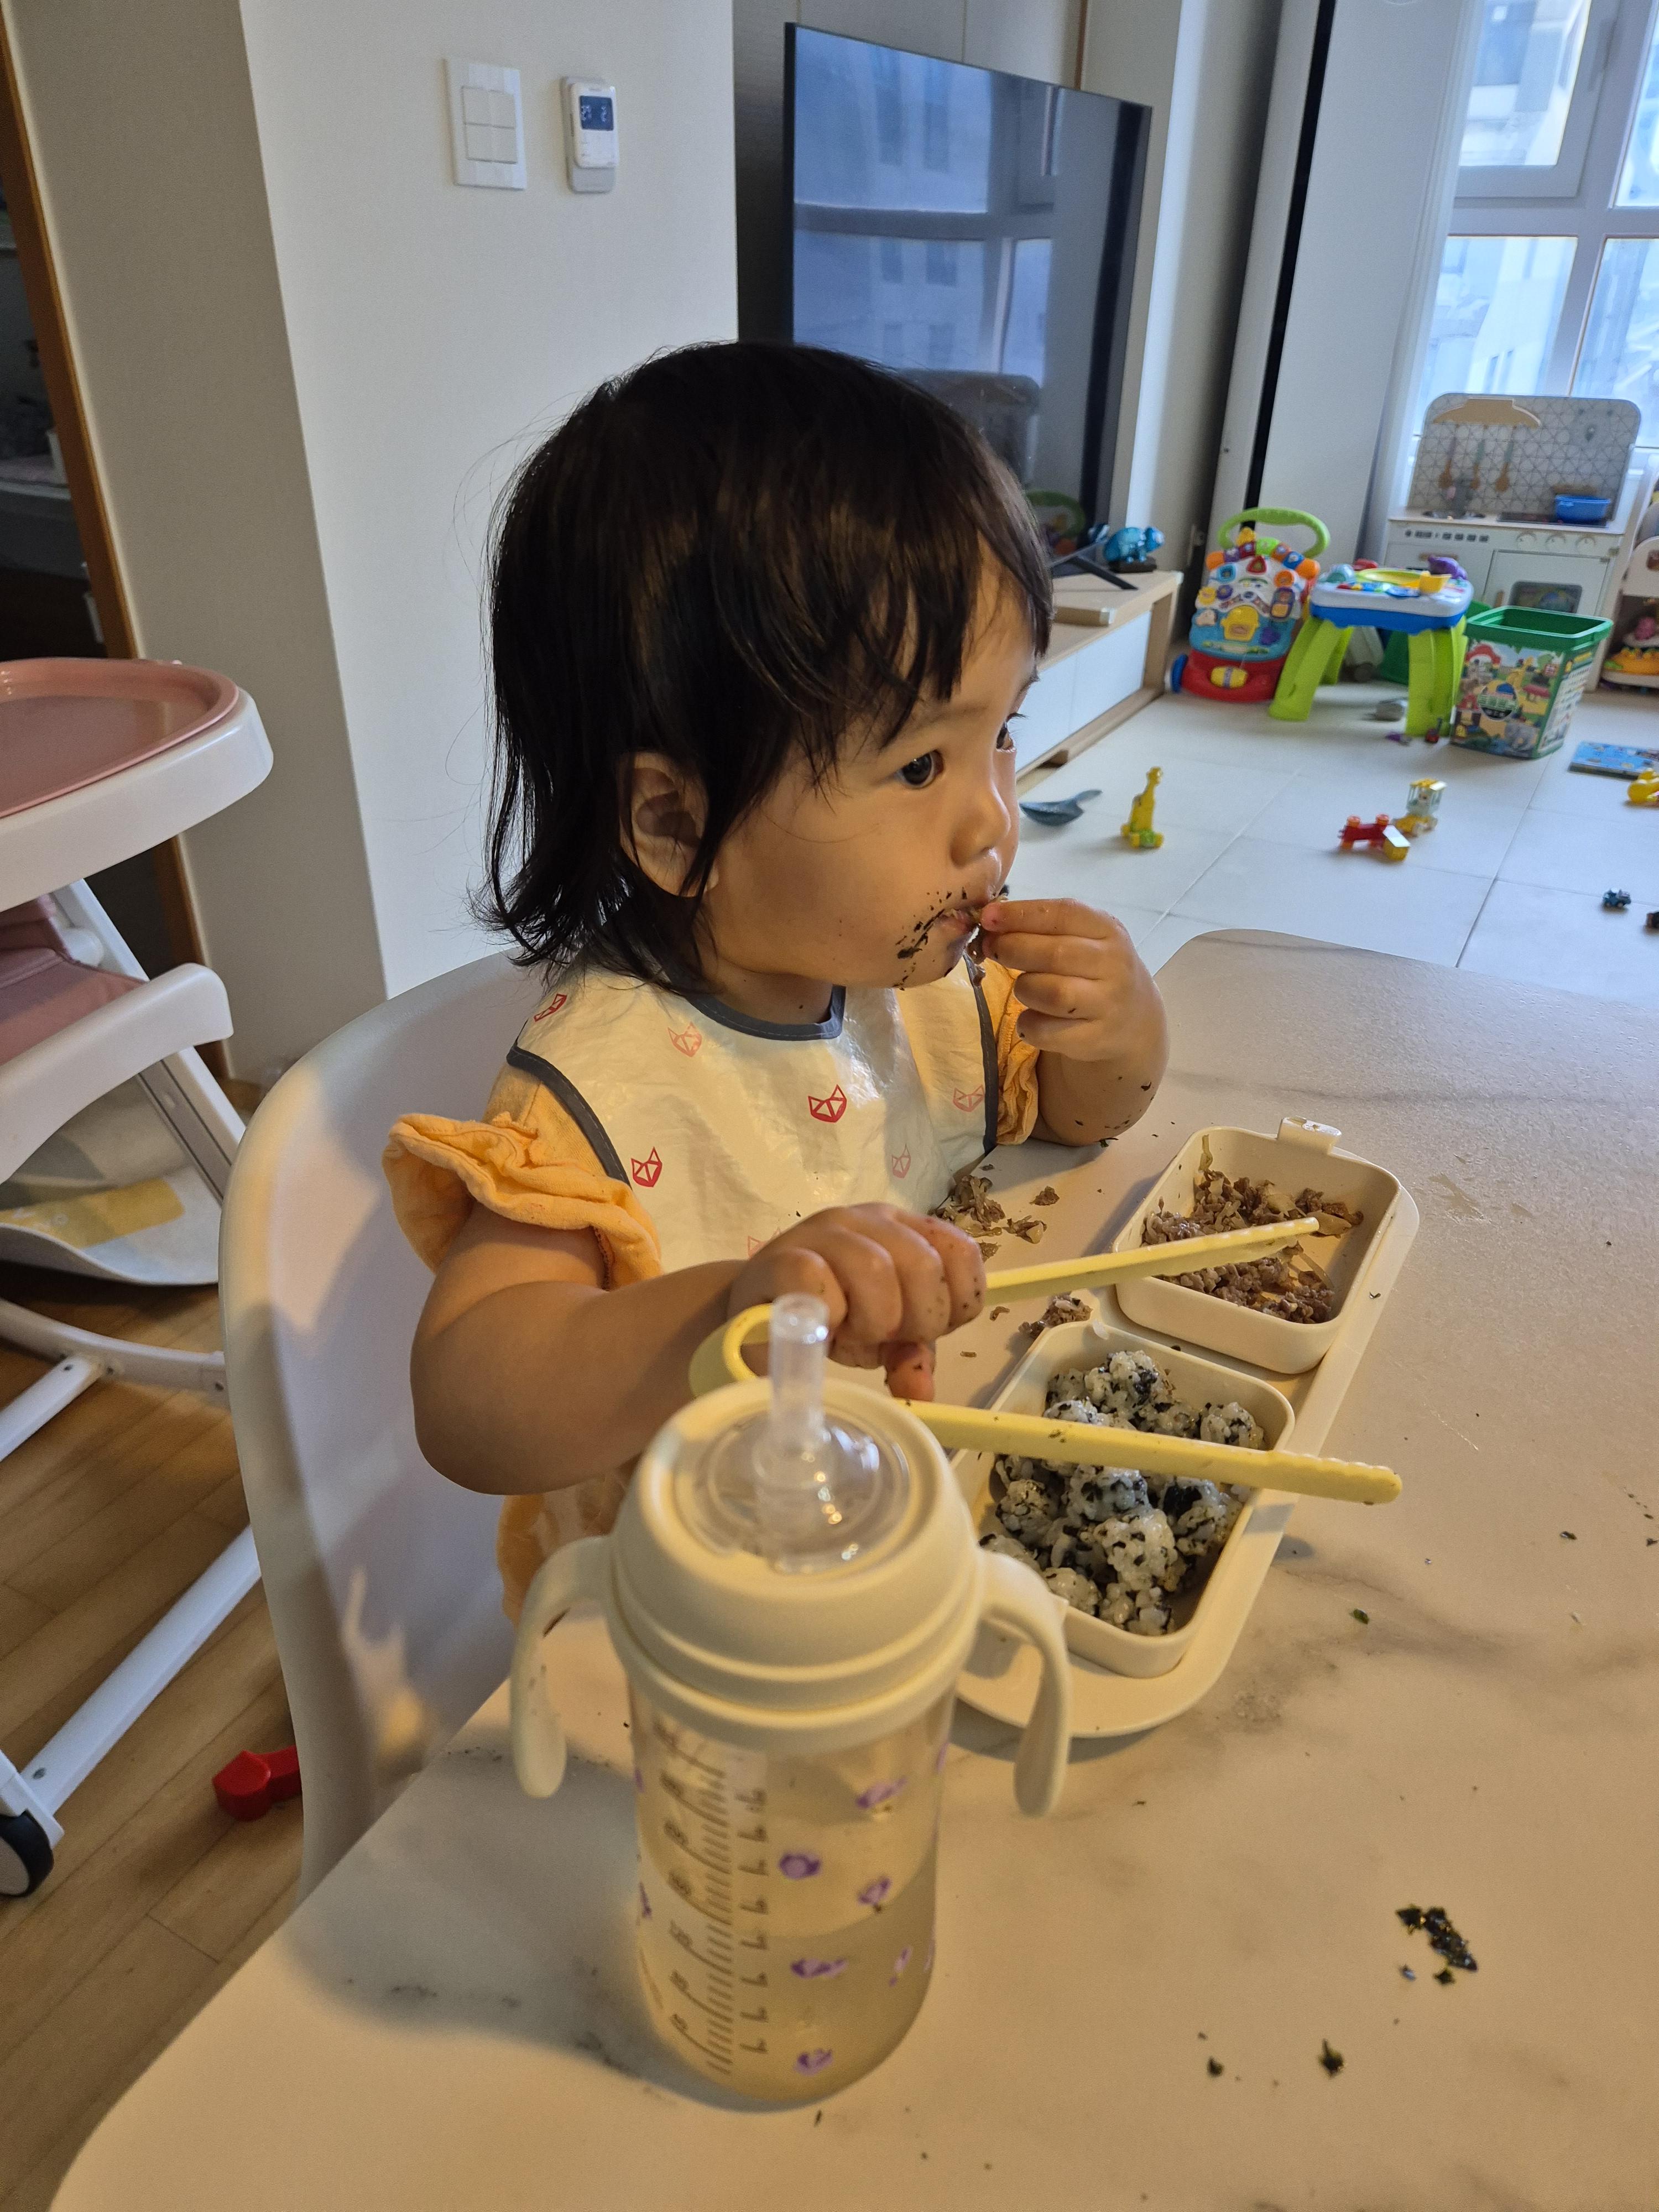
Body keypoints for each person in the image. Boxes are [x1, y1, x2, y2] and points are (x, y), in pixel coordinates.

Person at [385, 343, 1167, 1615]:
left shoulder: (913, 984)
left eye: (1003, 735)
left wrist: (1119, 1025)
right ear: (676, 824)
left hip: (916, 1530)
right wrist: (733, 1310)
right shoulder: (602, 1086)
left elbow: (1080, 1118)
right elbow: (470, 1402)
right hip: (694, 1625)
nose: (993, 818)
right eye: (921, 765)